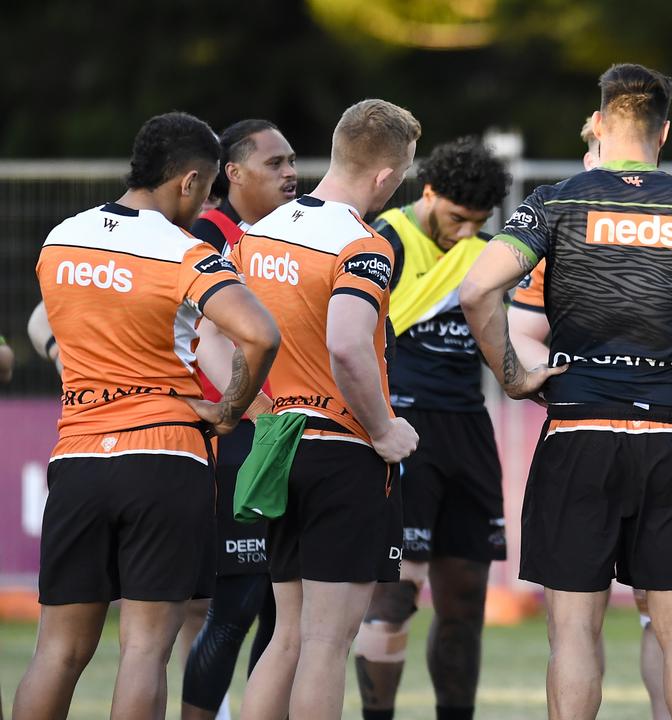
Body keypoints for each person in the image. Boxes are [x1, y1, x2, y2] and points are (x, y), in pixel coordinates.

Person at [461, 63, 672, 720]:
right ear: (663, 131)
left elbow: (475, 290)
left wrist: (515, 375)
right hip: (668, 437)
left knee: (574, 632)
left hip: (579, 432)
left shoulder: (556, 201)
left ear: (600, 122)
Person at [12, 111, 280, 720]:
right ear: (188, 181)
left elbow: (58, 329)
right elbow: (259, 334)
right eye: (208, 187)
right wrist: (232, 408)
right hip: (164, 456)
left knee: (56, 650)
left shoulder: (62, 238)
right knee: (145, 649)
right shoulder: (183, 251)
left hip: (78, 457)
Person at [228, 99, 422, 720]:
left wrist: (256, 409)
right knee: (325, 643)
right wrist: (384, 429)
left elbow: (209, 338)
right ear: (385, 178)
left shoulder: (256, 234)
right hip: (342, 452)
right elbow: (345, 343)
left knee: (286, 636)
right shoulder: (363, 244)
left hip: (279, 444)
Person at [351, 137, 511, 720]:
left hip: (468, 428)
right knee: (394, 593)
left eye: (477, 223)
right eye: (455, 218)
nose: (465, 233)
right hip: (402, 427)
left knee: (466, 598)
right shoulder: (382, 240)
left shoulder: (489, 251)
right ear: (430, 193)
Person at [181, 118, 298, 720]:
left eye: (292, 161)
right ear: (232, 173)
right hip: (239, 438)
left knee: (285, 608)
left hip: (282, 435)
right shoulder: (206, 234)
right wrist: (257, 411)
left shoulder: (287, 236)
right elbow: (206, 340)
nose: (290, 173)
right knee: (237, 602)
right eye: (275, 163)